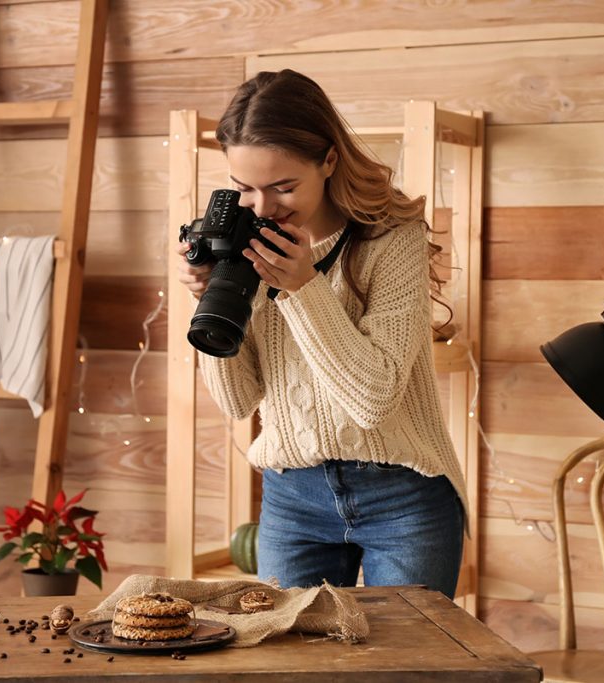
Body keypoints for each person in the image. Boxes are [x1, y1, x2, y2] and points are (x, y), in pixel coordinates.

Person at [174, 69, 466, 598]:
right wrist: (209, 301)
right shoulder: (247, 240)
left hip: (403, 496)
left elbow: (374, 399)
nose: (264, 208)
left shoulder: (390, 238)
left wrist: (303, 288)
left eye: (283, 186)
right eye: (245, 189)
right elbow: (239, 401)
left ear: (329, 160)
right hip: (292, 497)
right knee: (288, 671)